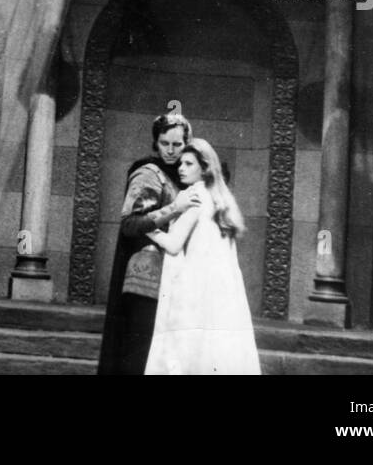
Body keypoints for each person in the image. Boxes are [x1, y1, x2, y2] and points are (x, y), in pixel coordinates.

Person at [144, 138, 261, 375]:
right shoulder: (221, 198)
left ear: (204, 168)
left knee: (186, 354)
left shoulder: (194, 197)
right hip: (223, 290)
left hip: (195, 286)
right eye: (181, 163)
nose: (181, 168)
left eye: (189, 163)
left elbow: (174, 244)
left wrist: (147, 226)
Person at [97, 112, 197, 376]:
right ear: (156, 142)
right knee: (139, 345)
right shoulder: (148, 173)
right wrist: (173, 209)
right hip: (144, 274)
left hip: (170, 271)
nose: (171, 150)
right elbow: (130, 223)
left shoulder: (182, 174)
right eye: (165, 143)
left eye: (177, 145)